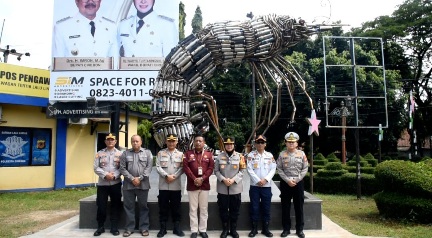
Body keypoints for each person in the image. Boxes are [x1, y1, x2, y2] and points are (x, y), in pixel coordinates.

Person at [52, 0, 117, 57]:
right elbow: (58, 64)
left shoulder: (111, 27)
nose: (90, 1)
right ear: (77, 1)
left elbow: (114, 64)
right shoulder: (62, 28)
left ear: (100, 1)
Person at [119, 135, 153, 237]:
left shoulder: (147, 153)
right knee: (129, 207)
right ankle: (129, 228)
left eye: (137, 141)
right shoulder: (125, 153)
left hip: (143, 184)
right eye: (133, 141)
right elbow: (122, 168)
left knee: (143, 207)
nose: (135, 143)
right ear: (131, 142)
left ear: (141, 142)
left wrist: (140, 178)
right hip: (129, 185)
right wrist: (132, 178)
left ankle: (144, 228)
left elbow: (149, 167)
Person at [276, 132, 309, 238]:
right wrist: (287, 180)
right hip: (286, 183)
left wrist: (297, 179)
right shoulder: (282, 154)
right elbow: (279, 169)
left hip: (298, 183)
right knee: (285, 207)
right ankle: (286, 229)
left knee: (298, 207)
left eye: (293, 142)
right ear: (285, 143)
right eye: (289, 142)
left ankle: (300, 230)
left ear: (296, 143)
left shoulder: (302, 154)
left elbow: (305, 168)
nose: (291, 144)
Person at [183, 135, 214, 238]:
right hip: (192, 185)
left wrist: (202, 178)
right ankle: (194, 230)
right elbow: (186, 168)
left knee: (204, 209)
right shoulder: (188, 154)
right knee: (193, 209)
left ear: (204, 142)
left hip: (204, 185)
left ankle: (203, 230)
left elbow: (210, 168)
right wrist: (194, 178)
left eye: (200, 141)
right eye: (196, 141)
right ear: (194, 142)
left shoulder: (209, 155)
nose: (198, 143)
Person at [214, 137, 246, 238]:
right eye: (227, 144)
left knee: (235, 210)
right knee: (223, 210)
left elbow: (242, 171)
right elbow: (216, 171)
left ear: (234, 145)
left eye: (231, 144)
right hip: (222, 188)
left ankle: (233, 230)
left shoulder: (240, 156)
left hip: (235, 188)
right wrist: (223, 179)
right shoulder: (219, 157)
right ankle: (224, 230)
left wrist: (233, 180)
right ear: (224, 145)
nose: (229, 146)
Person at [155, 134, 185, 237]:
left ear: (176, 142)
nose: (171, 143)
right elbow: (158, 167)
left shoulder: (181, 154)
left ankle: (177, 228)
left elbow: (182, 168)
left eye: (173, 141)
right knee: (163, 207)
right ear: (166, 142)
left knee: (176, 208)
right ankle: (162, 229)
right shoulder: (160, 153)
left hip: (176, 186)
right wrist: (166, 176)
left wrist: (174, 176)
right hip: (163, 186)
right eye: (169, 141)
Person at [93, 133, 123, 236]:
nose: (110, 141)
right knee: (101, 206)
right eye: (108, 139)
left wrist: (114, 175)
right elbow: (96, 168)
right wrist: (106, 175)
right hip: (103, 184)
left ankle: (114, 227)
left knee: (116, 205)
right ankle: (100, 227)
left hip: (116, 183)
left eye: (112, 139)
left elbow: (122, 168)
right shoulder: (99, 153)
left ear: (115, 141)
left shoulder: (120, 154)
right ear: (105, 141)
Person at [246, 135, 276, 237]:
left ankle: (265, 229)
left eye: (262, 142)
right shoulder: (251, 155)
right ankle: (254, 229)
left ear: (265, 144)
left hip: (266, 186)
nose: (260, 144)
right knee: (254, 207)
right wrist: (258, 180)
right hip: (254, 186)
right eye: (258, 142)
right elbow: (249, 169)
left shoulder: (270, 155)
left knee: (266, 207)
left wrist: (266, 180)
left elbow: (273, 169)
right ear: (255, 144)